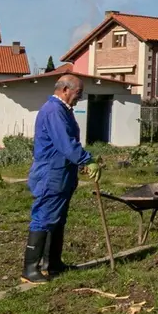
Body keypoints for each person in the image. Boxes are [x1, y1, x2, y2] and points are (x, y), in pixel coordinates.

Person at [23, 74, 100, 283]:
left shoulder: (63, 110)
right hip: (51, 173)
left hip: (62, 171)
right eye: (78, 93)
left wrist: (78, 163)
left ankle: (53, 264)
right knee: (44, 217)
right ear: (65, 90)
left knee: (57, 219)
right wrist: (86, 160)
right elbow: (65, 143)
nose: (79, 98)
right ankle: (30, 269)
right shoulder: (54, 111)